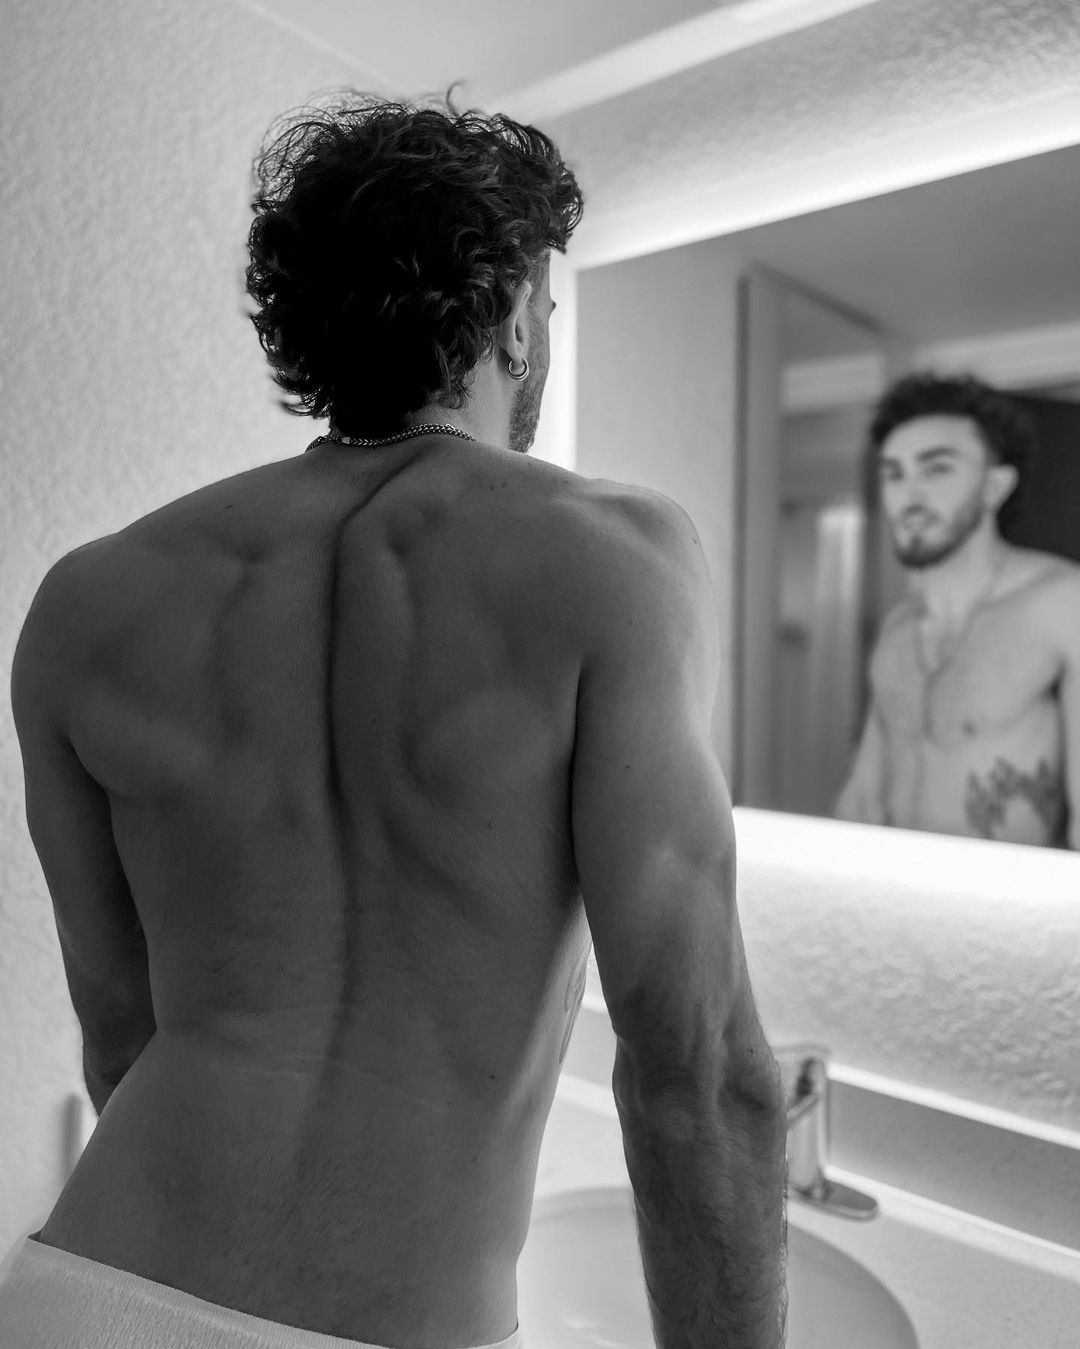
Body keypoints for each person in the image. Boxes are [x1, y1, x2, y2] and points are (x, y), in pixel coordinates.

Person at [4, 92, 788, 1349]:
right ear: (520, 311)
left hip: (83, 1294)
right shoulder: (613, 559)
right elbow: (695, 1075)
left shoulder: (87, 600)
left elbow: (119, 1037)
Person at [835, 371, 1080, 847]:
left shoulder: (1061, 602)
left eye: (937, 469)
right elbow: (863, 798)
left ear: (994, 486)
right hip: (894, 886)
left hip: (1008, 892)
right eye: (894, 473)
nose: (909, 495)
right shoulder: (899, 628)